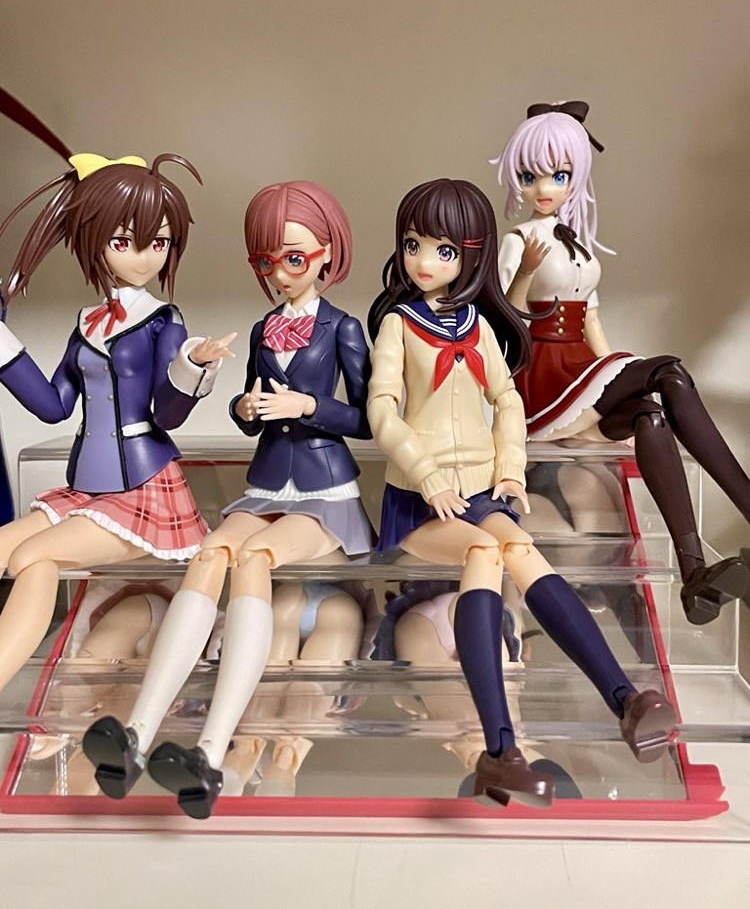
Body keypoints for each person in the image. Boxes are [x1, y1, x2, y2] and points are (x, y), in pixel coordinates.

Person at [366, 177, 675, 807]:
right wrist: (426, 475)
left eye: (443, 250)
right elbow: (382, 412)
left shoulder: (478, 325)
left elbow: (507, 400)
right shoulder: (398, 325)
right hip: (420, 501)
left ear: (470, 256)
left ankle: (625, 700)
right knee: (483, 553)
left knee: (523, 550)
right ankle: (500, 746)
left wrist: (510, 468)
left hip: (482, 490)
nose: (424, 261)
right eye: (413, 244)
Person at [83, 180, 374, 818]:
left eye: (293, 258)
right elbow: (249, 414)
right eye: (267, 261)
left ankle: (212, 752)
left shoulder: (343, 328)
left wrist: (308, 405)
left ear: (327, 252)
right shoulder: (264, 328)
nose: (279, 273)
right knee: (212, 553)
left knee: (254, 559)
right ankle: (137, 735)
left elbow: (368, 419)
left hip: (325, 490)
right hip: (265, 483)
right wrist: (245, 406)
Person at [0, 88, 232, 696]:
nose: (145, 256)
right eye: (126, 241)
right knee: (3, 547)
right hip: (86, 488)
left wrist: (191, 366)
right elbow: (53, 405)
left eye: (160, 242)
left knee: (31, 560)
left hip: (143, 490)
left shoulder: (162, 321)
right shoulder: (86, 322)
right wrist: (2, 343)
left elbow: (166, 414)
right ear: (95, 238)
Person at [492, 101, 750, 625]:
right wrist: (526, 273)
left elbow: (591, 322)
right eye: (531, 176)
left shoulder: (579, 245)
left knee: (650, 416)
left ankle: (694, 576)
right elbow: (505, 323)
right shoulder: (519, 241)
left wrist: (615, 373)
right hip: (542, 378)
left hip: (580, 372)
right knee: (669, 372)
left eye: (559, 175)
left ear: (576, 178)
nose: (544, 188)